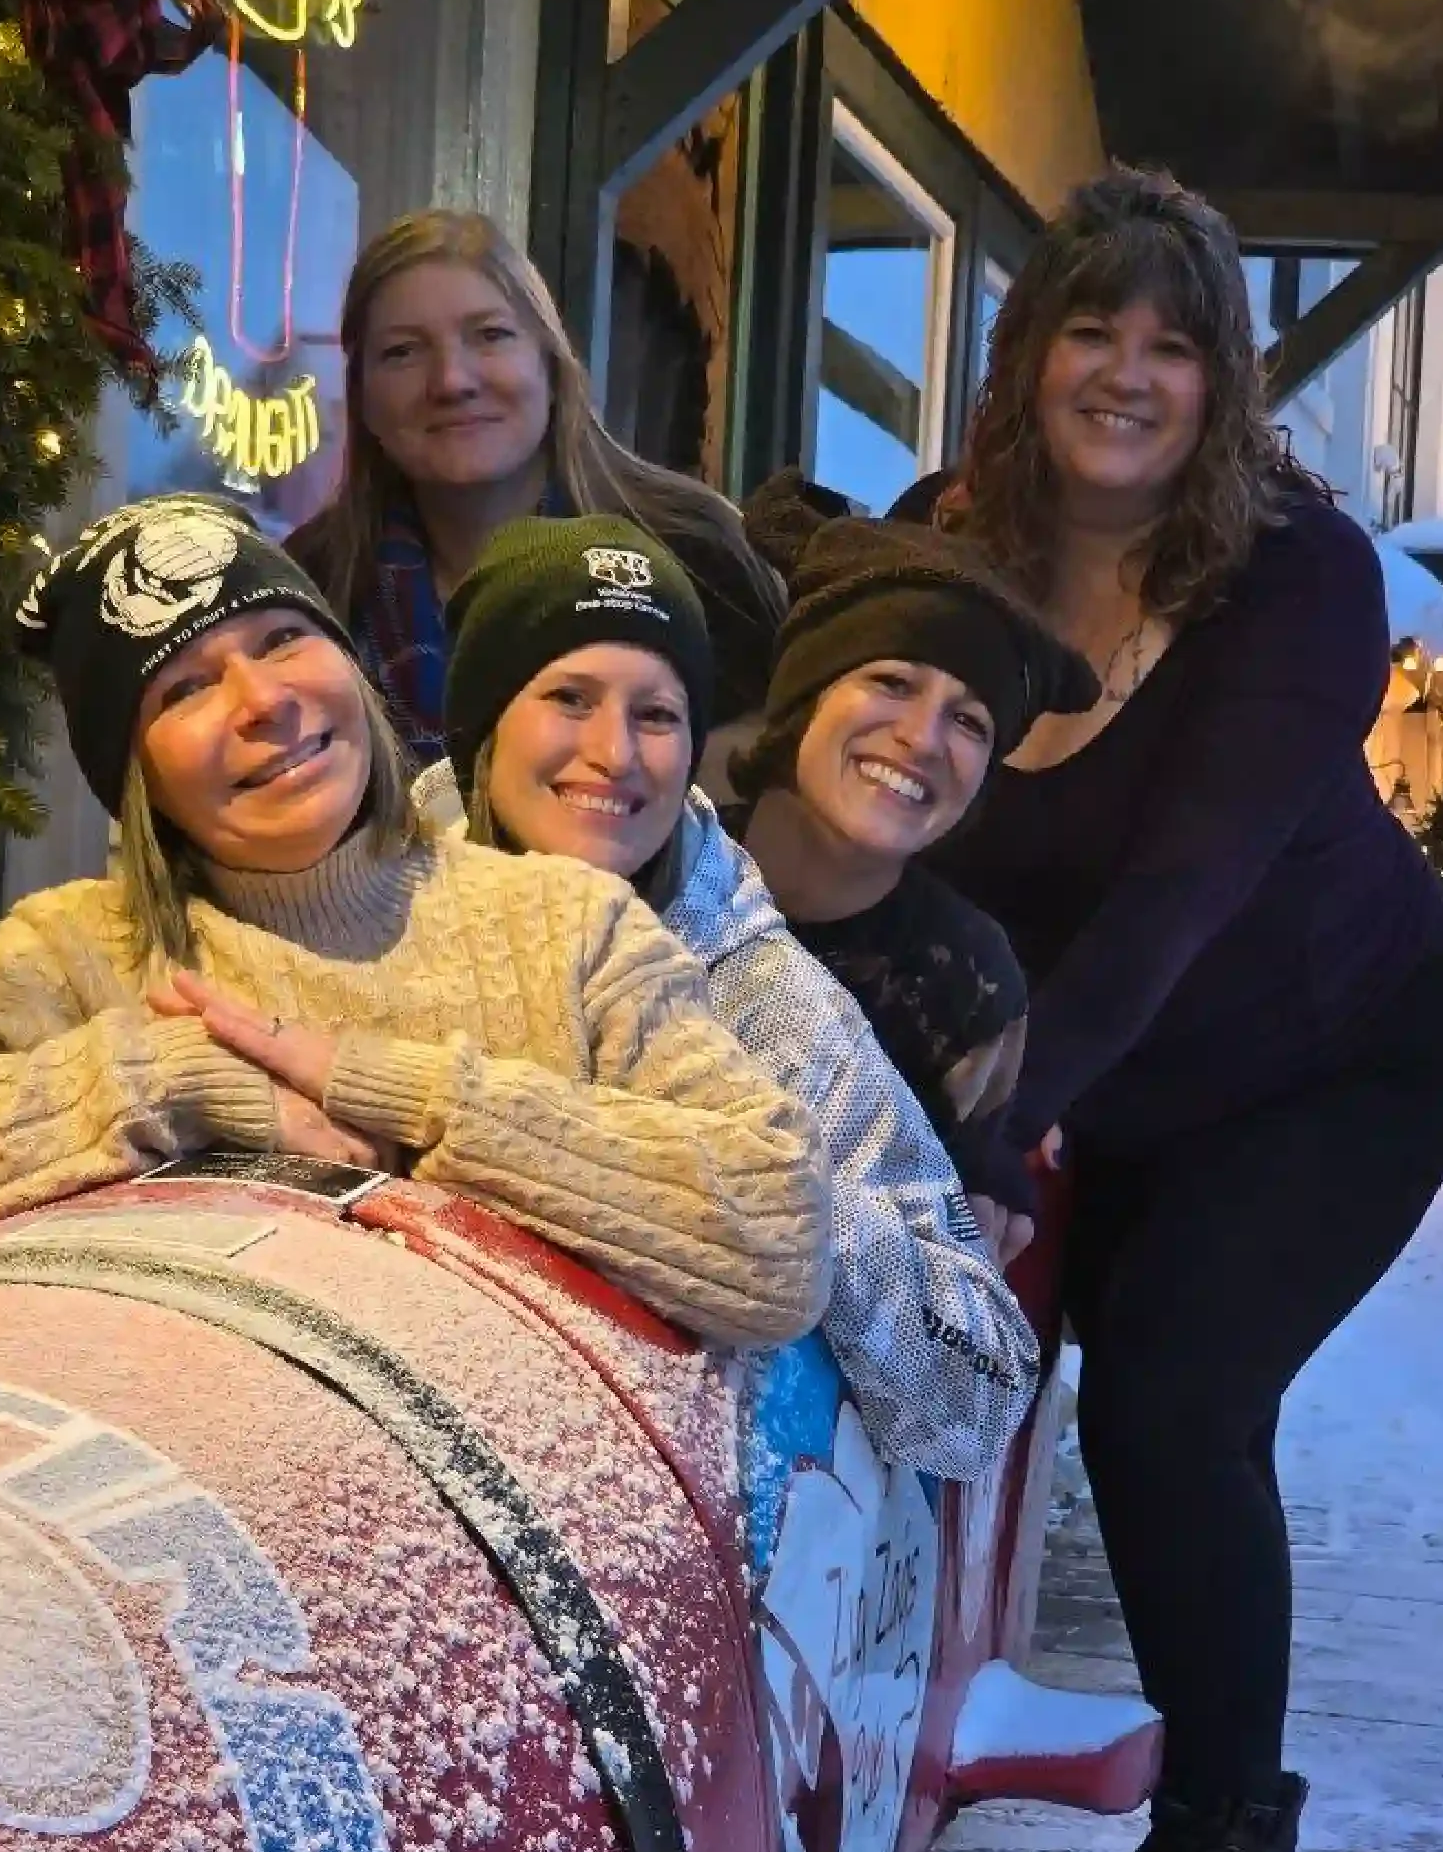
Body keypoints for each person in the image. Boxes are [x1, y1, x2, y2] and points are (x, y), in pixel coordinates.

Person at [915, 168, 1443, 1852]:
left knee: (1165, 1399)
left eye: (1174, 343)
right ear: (1025, 355)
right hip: (1126, 1085)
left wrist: (986, 1121)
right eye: (1091, 327)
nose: (1127, 373)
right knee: (974, 1361)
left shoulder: (1293, 578)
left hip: (1339, 1062)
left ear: (1222, 383)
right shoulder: (946, 547)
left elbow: (1174, 904)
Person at [0, 493, 831, 1356]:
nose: (262, 701)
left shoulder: (566, 922)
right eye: (184, 688)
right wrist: (179, 1081)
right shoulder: (75, 952)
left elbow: (779, 1241)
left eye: (283, 638)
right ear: (135, 772)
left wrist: (406, 1091)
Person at [416, 511, 1041, 1484]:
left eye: (657, 714)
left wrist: (782, 1199)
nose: (614, 752)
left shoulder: (764, 999)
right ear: (482, 725)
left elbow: (981, 1397)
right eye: (569, 697)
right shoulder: (365, 911)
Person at [725, 469, 1100, 1268]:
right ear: (803, 697)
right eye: (891, 682)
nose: (923, 739)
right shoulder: (661, 868)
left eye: (968, 720)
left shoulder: (968, 984)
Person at [284, 208, 784, 758]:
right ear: (362, 398)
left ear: (551, 366)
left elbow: (764, 768)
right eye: (402, 351)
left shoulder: (695, 551)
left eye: (490, 336)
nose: (451, 381)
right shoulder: (311, 583)